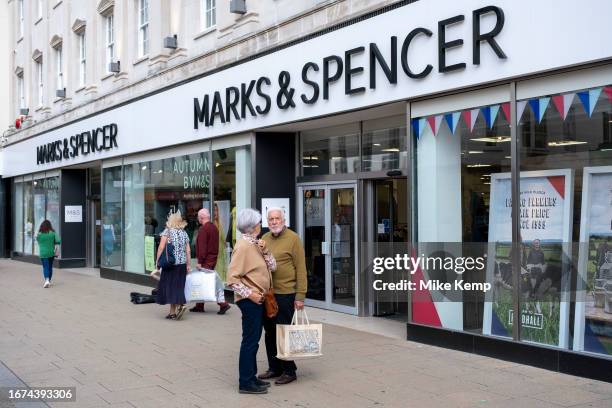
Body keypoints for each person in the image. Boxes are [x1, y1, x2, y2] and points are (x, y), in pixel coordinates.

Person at [227, 208, 276, 394]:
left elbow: (273, 266)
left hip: (260, 298)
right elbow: (232, 279)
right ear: (253, 226)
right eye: (259, 222)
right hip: (251, 300)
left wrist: (266, 250)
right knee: (250, 341)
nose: (261, 224)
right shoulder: (243, 246)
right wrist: (251, 294)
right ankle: (246, 382)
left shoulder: (256, 243)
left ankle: (251, 377)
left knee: (253, 340)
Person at [258, 207, 307, 385]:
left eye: (277, 218)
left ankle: (289, 370)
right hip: (269, 294)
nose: (274, 222)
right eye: (270, 219)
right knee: (270, 332)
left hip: (286, 294)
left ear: (283, 220)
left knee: (284, 332)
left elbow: (301, 268)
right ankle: (274, 367)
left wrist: (300, 296)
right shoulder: (264, 239)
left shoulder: (293, 239)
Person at [190, 208, 231, 314]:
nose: (198, 219)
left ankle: (223, 304)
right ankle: (199, 305)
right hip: (213, 258)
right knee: (203, 282)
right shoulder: (214, 227)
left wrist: (200, 262)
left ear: (201, 217)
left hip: (206, 261)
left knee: (209, 282)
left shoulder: (204, 229)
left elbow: (202, 248)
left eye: (198, 217)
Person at [156, 211, 191, 320]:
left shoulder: (168, 232)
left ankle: (181, 304)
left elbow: (161, 248)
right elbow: (188, 251)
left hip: (170, 264)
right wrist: (188, 265)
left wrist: (157, 261)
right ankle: (172, 312)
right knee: (179, 287)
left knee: (170, 287)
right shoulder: (184, 233)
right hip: (181, 265)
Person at [36, 220, 60, 288]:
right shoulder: (53, 233)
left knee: (45, 267)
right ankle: (49, 280)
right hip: (51, 252)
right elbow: (58, 241)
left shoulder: (39, 234)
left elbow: (37, 240)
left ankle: (46, 280)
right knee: (50, 267)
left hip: (43, 253)